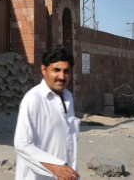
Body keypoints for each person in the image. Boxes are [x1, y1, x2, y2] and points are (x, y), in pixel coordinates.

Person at [14, 46, 80, 180]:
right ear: (44, 69)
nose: (62, 76)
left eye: (66, 71)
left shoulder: (68, 97)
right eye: (56, 70)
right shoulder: (34, 99)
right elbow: (22, 144)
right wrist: (55, 167)